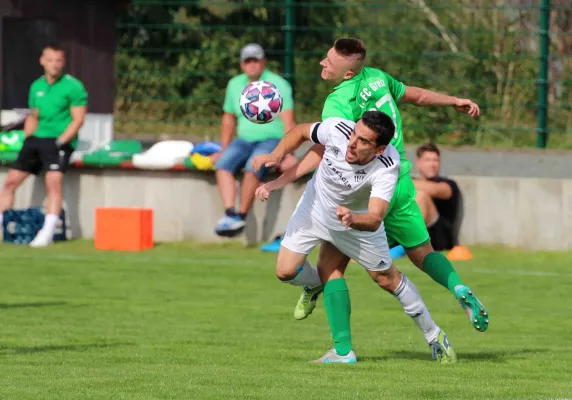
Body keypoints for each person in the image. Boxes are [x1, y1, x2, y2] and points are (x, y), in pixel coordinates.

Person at [258, 37, 488, 333]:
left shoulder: (339, 101)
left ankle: (342, 348)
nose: (322, 63)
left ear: (348, 74)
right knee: (423, 253)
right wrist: (454, 100)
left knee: (330, 270)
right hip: (402, 179)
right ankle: (457, 287)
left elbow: (328, 148)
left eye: (329, 61)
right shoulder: (377, 77)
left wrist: (281, 177)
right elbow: (415, 96)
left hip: (368, 187)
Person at [252, 111, 456, 364]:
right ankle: (322, 300)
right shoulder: (338, 129)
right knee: (285, 271)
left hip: (356, 222)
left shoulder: (387, 165)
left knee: (386, 279)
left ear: (379, 149)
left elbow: (375, 218)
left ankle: (435, 336)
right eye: (354, 134)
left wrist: (351, 219)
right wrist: (275, 156)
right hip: (314, 209)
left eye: (364, 141)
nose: (353, 142)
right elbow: (302, 131)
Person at [0, 45, 87, 247]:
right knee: (11, 181)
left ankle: (46, 233)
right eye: (50, 60)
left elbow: (78, 119)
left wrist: (61, 141)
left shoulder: (73, 86)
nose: (54, 65)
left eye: (58, 60)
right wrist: (27, 138)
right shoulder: (36, 86)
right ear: (42, 61)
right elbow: (34, 116)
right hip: (35, 140)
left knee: (53, 183)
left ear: (63, 62)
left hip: (58, 141)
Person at [211, 43, 296, 237]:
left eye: (255, 60)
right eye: (247, 61)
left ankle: (240, 217)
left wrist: (288, 152)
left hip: (271, 139)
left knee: (253, 166)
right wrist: (224, 148)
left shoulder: (278, 84)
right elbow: (228, 119)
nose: (251, 64)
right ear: (242, 64)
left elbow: (289, 120)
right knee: (223, 164)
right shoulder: (234, 84)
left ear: (263, 62)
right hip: (244, 140)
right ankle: (229, 214)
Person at [413, 143, 461, 251]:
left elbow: (435, 190)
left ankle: (409, 244)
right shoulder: (409, 181)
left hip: (439, 239)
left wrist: (397, 181)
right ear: (418, 163)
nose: (432, 164)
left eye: (436, 160)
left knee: (421, 196)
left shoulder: (448, 184)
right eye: (428, 160)